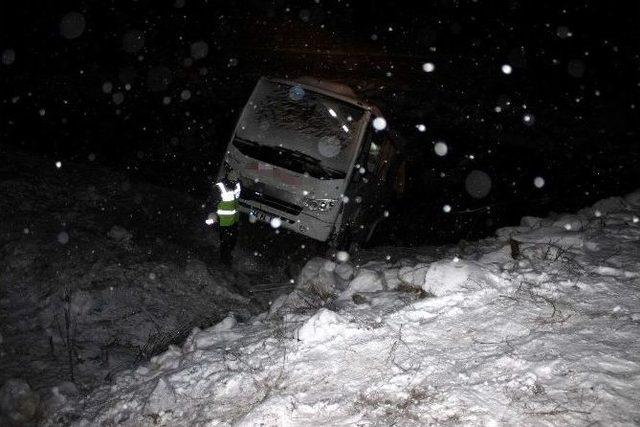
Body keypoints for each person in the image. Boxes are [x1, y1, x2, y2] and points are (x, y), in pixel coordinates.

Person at [207, 170, 241, 267]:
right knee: (226, 242)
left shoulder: (237, 185)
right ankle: (224, 261)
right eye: (233, 180)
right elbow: (212, 202)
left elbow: (240, 197)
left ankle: (227, 258)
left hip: (234, 221)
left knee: (232, 241)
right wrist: (212, 215)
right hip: (224, 221)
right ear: (228, 179)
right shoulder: (220, 187)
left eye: (236, 180)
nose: (234, 182)